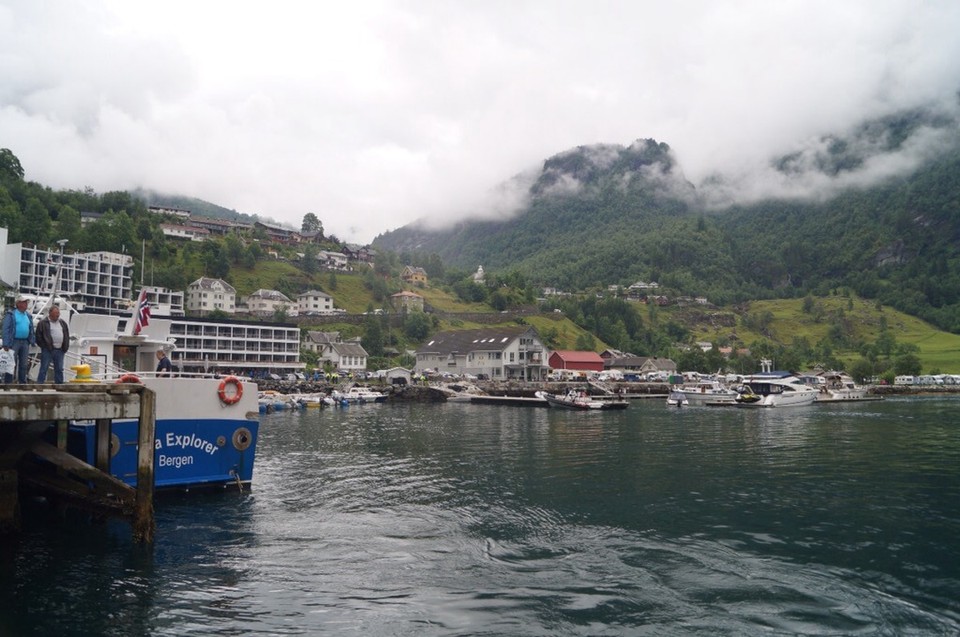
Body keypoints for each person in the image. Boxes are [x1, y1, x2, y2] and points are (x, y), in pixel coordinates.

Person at [2, 294, 36, 383]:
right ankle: (8, 383)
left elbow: (31, 328)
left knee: (24, 364)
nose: (26, 304)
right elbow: (6, 329)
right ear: (19, 304)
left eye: (26, 303)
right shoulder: (11, 314)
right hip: (14, 342)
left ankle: (22, 383)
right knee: (11, 364)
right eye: (24, 302)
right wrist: (6, 343)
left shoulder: (28, 315)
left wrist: (32, 340)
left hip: (25, 342)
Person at [36, 305, 70, 383]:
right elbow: (38, 336)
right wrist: (45, 346)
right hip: (48, 350)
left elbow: (66, 335)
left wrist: (65, 347)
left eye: (58, 313)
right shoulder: (42, 323)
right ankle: (39, 385)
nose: (57, 315)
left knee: (59, 369)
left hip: (60, 350)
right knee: (44, 368)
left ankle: (59, 385)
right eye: (55, 313)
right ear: (50, 313)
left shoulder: (62, 323)